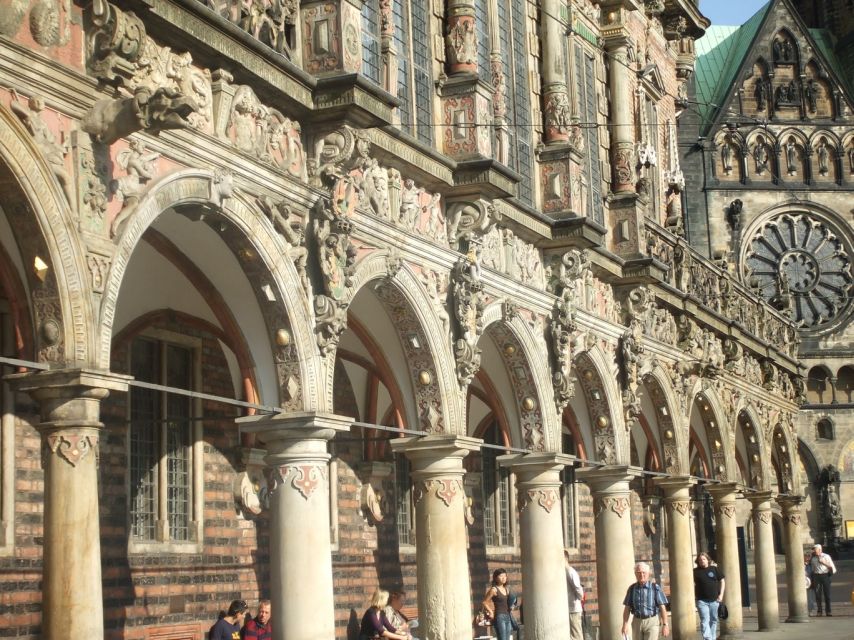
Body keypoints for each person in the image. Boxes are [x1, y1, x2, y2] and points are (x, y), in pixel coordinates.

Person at [621, 562, 669, 640]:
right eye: (639, 573)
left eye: (644, 572)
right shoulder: (632, 589)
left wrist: (665, 624)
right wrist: (625, 624)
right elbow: (627, 608)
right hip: (637, 621)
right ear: (635, 574)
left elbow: (662, 607)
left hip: (652, 621)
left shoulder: (655, 588)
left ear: (648, 574)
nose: (641, 575)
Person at [693, 552, 725, 640]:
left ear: (708, 560)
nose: (702, 561)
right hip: (702, 601)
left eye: (703, 559)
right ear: (697, 562)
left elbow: (722, 581)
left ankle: (712, 637)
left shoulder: (714, 569)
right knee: (704, 621)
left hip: (715, 600)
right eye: (700, 560)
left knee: (714, 620)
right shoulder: (695, 571)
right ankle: (708, 638)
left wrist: (721, 595)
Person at [482, 568, 515, 640]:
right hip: (499, 617)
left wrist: (512, 606)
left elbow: (512, 601)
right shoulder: (494, 589)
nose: (504, 578)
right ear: (496, 578)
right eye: (501, 576)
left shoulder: (507, 589)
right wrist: (491, 612)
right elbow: (485, 602)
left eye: (505, 576)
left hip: (508, 616)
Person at [809, 543, 837, 616]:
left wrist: (824, 563)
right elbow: (811, 568)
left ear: (820, 549)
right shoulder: (813, 558)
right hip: (816, 576)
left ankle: (828, 611)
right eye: (813, 550)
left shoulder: (826, 556)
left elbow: (832, 567)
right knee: (818, 594)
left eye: (815, 549)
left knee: (827, 594)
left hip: (825, 575)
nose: (814, 551)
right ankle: (819, 611)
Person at [564, 550, 584, 640]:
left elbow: (578, 590)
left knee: (576, 636)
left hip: (574, 609)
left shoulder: (570, 572)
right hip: (567, 609)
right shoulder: (563, 572)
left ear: (565, 558)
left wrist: (580, 597)